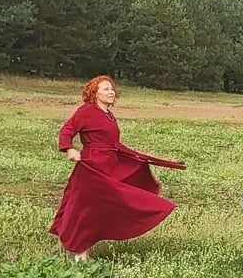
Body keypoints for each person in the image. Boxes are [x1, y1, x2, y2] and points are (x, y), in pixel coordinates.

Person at [50, 75, 184, 259]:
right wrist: (69, 149)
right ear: (94, 93)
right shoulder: (86, 111)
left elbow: (115, 144)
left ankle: (74, 245)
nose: (111, 91)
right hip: (92, 168)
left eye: (112, 89)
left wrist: (140, 158)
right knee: (86, 209)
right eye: (106, 89)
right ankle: (80, 253)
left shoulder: (109, 116)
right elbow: (67, 130)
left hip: (109, 166)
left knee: (100, 206)